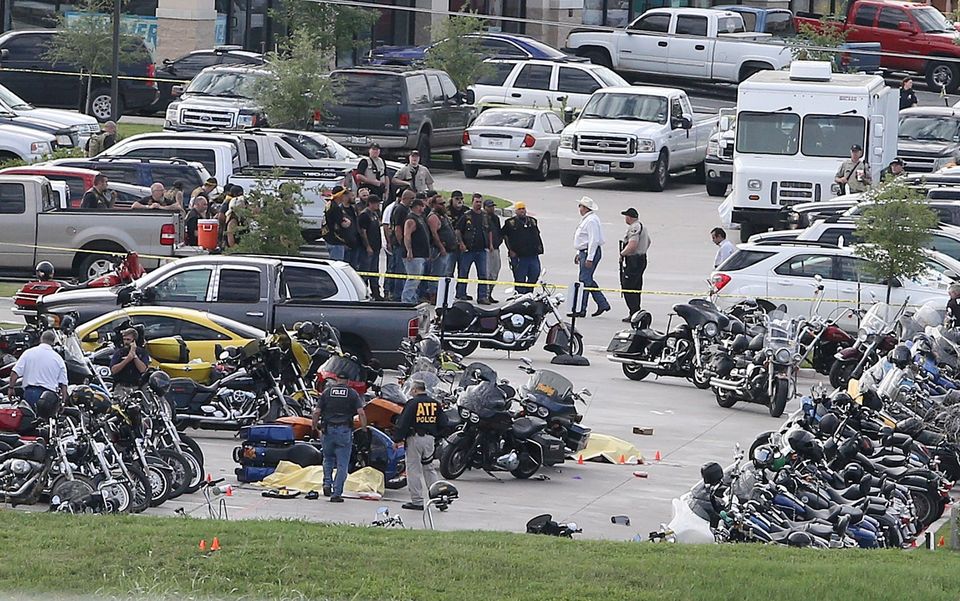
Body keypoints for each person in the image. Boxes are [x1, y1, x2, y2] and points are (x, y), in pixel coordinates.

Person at [392, 378, 448, 511]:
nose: (410, 391)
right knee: (429, 469)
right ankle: (439, 499)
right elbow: (444, 423)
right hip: (429, 440)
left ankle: (417, 501)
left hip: (415, 439)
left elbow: (403, 423)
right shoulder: (435, 403)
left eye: (411, 389)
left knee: (413, 470)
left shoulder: (412, 403)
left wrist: (397, 439)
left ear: (415, 389)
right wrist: (436, 435)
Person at [312, 370, 367, 503]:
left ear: (336, 379)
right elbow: (362, 413)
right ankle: (336, 493)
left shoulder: (327, 392)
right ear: (348, 381)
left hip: (327, 430)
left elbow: (316, 412)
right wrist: (364, 430)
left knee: (328, 459)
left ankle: (326, 484)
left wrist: (314, 427)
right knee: (342, 464)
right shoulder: (352, 394)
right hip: (344, 431)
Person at [7, 330, 67, 409]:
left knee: (31, 418)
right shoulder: (58, 359)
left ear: (41, 339)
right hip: (50, 396)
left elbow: (15, 372)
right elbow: (64, 384)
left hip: (31, 393)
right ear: (53, 342)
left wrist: (11, 388)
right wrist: (63, 402)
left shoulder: (28, 353)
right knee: (47, 420)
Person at [573, 196, 610, 317]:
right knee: (587, 279)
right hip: (584, 251)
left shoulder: (591, 221)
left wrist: (589, 258)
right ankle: (602, 304)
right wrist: (579, 253)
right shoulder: (587, 219)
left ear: (585, 208)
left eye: (580, 206)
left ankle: (581, 309)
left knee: (584, 281)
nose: (579, 209)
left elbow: (593, 240)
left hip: (589, 252)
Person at [455, 193, 491, 303]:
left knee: (483, 274)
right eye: (476, 202)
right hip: (468, 250)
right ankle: (461, 294)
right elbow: (457, 230)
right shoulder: (467, 216)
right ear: (472, 202)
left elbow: (489, 230)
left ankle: (482, 296)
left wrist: (490, 244)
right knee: (463, 273)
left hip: (481, 251)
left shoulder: (485, 216)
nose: (478, 204)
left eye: (480, 202)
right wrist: (461, 243)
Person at [501, 202, 543, 292]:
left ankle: (529, 292)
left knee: (535, 274)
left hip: (533, 255)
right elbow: (504, 235)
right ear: (515, 211)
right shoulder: (510, 223)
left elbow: (537, 234)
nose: (522, 211)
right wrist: (510, 250)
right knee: (520, 278)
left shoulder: (532, 221)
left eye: (523, 209)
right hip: (519, 256)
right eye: (519, 209)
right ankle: (520, 295)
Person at [619, 208, 650, 321]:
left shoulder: (634, 228)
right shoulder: (642, 227)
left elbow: (632, 245)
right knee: (636, 286)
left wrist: (622, 254)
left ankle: (634, 312)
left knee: (628, 286)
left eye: (626, 216)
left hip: (634, 261)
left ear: (630, 217)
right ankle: (636, 311)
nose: (625, 218)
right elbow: (649, 242)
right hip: (641, 259)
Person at [426, 195, 458, 302]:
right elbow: (434, 234)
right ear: (434, 205)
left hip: (449, 249)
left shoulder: (443, 215)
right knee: (436, 273)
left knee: (445, 274)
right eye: (441, 204)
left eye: (444, 203)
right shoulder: (433, 217)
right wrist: (441, 247)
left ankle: (443, 295)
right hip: (439, 251)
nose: (443, 205)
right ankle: (433, 295)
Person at [402, 198, 431, 304]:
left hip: (421, 254)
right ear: (418, 206)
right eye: (423, 206)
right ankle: (407, 300)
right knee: (413, 279)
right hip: (414, 255)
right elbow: (407, 235)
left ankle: (412, 299)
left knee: (417, 280)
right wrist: (409, 250)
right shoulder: (411, 219)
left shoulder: (420, 218)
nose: (424, 208)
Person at [388, 189, 415, 301]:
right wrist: (402, 243)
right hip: (399, 245)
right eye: (412, 199)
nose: (413, 201)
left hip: (399, 244)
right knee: (400, 270)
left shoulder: (402, 209)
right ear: (405, 198)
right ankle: (397, 295)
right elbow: (398, 228)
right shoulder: (401, 210)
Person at [109, 328, 150, 397]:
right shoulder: (119, 353)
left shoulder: (142, 352)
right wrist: (128, 359)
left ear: (134, 340)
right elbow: (113, 370)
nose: (126, 342)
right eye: (124, 339)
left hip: (137, 387)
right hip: (121, 387)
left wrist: (134, 357)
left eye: (128, 339)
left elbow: (143, 370)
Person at [357, 194, 383, 300]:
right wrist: (368, 246)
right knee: (366, 271)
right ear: (371, 203)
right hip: (368, 248)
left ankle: (376, 292)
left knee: (374, 271)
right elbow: (363, 232)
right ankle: (363, 292)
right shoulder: (364, 215)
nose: (378, 205)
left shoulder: (375, 214)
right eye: (377, 203)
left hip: (376, 247)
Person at [483, 199, 503, 303]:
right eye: (489, 206)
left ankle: (490, 293)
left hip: (496, 248)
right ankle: (484, 295)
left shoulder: (495, 218)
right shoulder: (483, 217)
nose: (492, 208)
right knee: (488, 273)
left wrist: (499, 241)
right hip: (487, 249)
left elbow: (498, 231)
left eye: (493, 206)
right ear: (485, 207)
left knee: (495, 271)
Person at [322, 186, 349, 261]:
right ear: (340, 196)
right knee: (337, 263)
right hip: (335, 240)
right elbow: (341, 225)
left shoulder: (329, 204)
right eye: (344, 195)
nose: (345, 197)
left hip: (328, 237)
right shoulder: (336, 208)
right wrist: (347, 223)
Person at [341, 189, 362, 270]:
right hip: (345, 244)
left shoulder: (354, 209)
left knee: (354, 268)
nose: (354, 198)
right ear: (345, 197)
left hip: (355, 242)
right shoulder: (340, 210)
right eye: (352, 196)